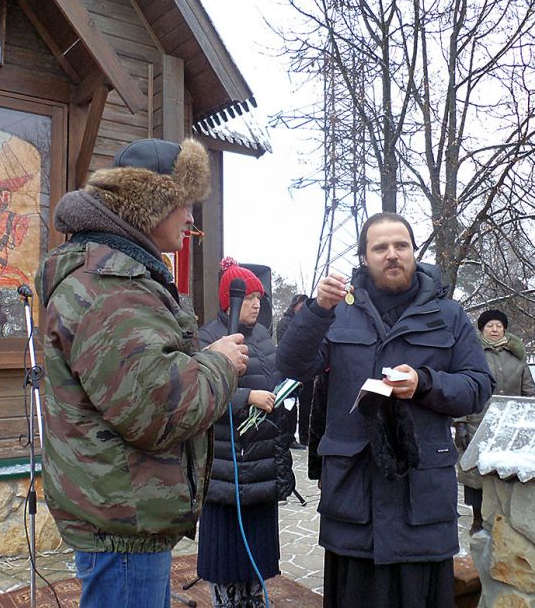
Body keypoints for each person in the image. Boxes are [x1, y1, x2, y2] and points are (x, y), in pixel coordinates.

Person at [36, 138, 249, 608]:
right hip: (123, 522)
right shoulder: (112, 287)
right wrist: (221, 364)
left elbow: (143, 372)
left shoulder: (115, 274)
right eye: (183, 203)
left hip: (121, 512)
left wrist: (201, 356)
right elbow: (161, 410)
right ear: (151, 203)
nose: (191, 217)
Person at [275, 212, 494, 608]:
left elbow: (478, 386)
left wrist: (425, 383)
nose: (392, 254)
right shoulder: (338, 310)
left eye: (401, 245)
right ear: (364, 257)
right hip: (355, 498)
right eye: (380, 247)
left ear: (413, 251)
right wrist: (317, 310)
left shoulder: (448, 314)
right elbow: (292, 366)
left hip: (420, 498)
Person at [197, 258, 295, 608]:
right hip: (227, 464)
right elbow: (199, 394)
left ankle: (255, 598)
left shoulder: (266, 337)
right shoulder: (209, 337)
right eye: (250, 296)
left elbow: (276, 374)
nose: (257, 303)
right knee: (226, 549)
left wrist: (284, 393)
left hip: (261, 458)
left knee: (256, 545)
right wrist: (245, 397)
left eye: (260, 296)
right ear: (230, 299)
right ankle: (225, 600)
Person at [455, 309, 535, 534]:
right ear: (482, 329)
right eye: (490, 325)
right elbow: (463, 387)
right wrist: (460, 421)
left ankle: (507, 519)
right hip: (478, 421)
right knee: (476, 473)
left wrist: (534, 417)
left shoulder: (517, 356)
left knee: (507, 470)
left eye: (498, 326)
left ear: (504, 329)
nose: (494, 329)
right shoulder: (471, 353)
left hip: (512, 423)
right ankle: (478, 520)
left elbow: (528, 390)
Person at [276, 294, 310, 449]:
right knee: (289, 404)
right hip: (290, 372)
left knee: (305, 405)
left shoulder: (307, 321)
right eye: (300, 304)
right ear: (294, 305)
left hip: (306, 370)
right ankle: (288, 437)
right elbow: (286, 347)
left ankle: (304, 436)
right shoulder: (285, 322)